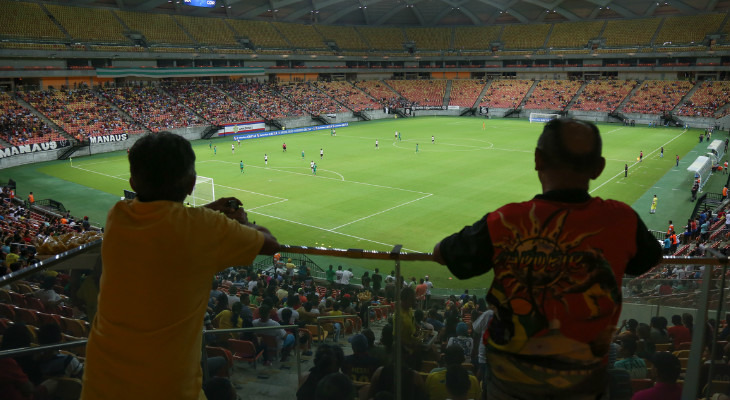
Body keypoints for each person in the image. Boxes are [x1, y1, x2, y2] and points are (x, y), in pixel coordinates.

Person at [432, 118, 662, 399]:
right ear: (598, 168)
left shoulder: (506, 220)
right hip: (585, 384)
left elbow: (447, 254)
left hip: (510, 385)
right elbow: (647, 259)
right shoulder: (622, 219)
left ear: (538, 159)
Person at [80, 132, 279, 400]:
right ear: (192, 184)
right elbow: (269, 244)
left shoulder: (118, 215)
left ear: (132, 182)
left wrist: (208, 209)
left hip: (99, 385)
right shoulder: (204, 228)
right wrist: (242, 221)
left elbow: (168, 220)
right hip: (167, 388)